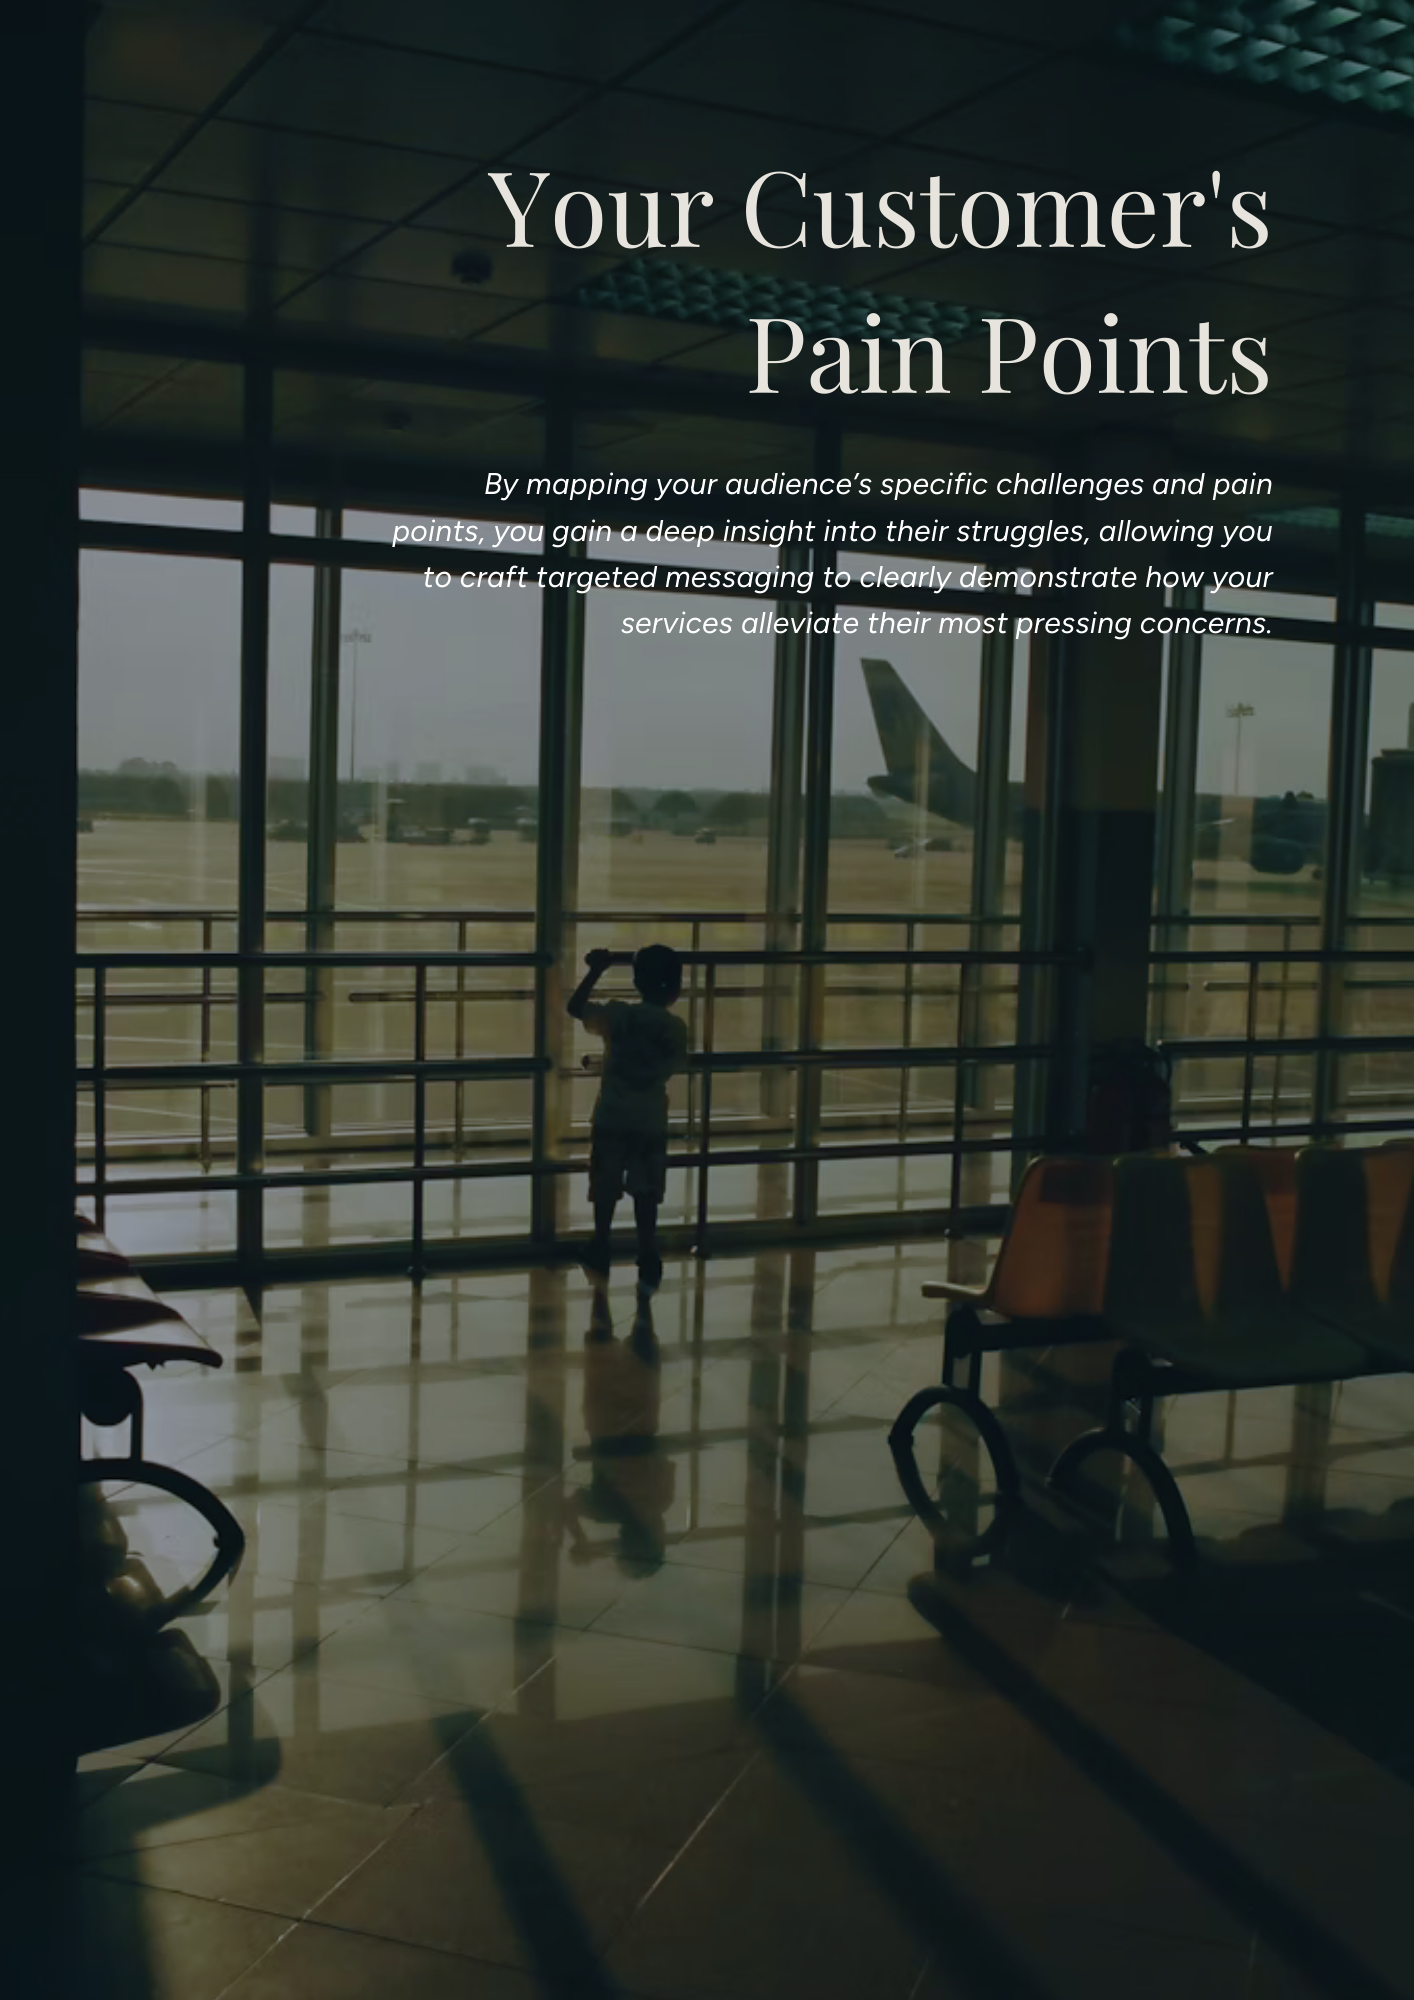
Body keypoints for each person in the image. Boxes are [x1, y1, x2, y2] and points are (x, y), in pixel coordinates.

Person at [568, 942, 687, 1294]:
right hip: (649, 1119)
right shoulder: (674, 1028)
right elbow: (675, 1064)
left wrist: (596, 970)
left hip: (611, 1117)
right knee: (646, 1188)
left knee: (605, 1185)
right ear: (676, 988)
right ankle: (647, 1251)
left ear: (637, 982)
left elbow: (575, 1007)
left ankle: (600, 1244)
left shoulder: (618, 1016)